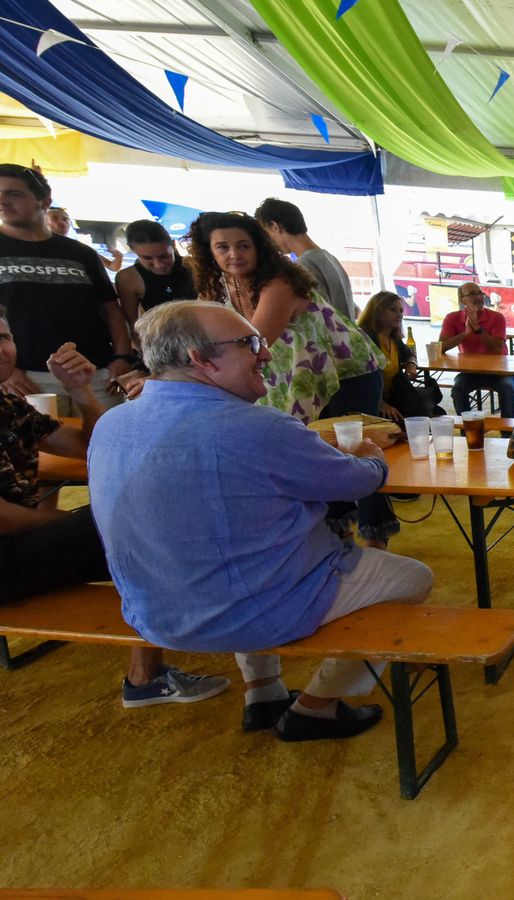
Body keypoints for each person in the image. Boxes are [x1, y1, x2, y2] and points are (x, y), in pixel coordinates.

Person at [91, 301, 433, 740]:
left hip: (153, 614)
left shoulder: (111, 424)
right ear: (200, 359)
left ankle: (264, 691)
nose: (266, 353)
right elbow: (354, 483)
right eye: (249, 344)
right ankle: (317, 706)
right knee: (412, 578)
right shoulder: (260, 427)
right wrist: (372, 457)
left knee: (245, 548)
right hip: (247, 613)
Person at [0, 311, 228, 706]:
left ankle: (154, 663)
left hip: (18, 553)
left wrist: (81, 391)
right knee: (149, 523)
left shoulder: (8, 404)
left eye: (4, 336)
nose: (1, 348)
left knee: (149, 522)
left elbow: (93, 446)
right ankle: (147, 675)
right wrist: (91, 523)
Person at [188, 212, 398, 549]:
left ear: (259, 246)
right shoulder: (220, 287)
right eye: (223, 247)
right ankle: (337, 537)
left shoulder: (280, 282)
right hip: (296, 375)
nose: (234, 254)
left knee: (353, 451)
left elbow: (256, 343)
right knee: (313, 455)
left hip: (347, 374)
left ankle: (377, 539)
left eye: (243, 245)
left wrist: (192, 374)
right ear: (208, 252)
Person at [0, 165, 138, 413]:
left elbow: (110, 309)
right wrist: (5, 372)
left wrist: (122, 358)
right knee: (43, 451)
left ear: (44, 201)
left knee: (105, 445)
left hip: (96, 372)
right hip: (27, 378)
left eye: (14, 194)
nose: (3, 201)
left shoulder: (80, 252)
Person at [254, 198, 356, 321]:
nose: (268, 242)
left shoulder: (304, 264)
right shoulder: (329, 257)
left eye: (266, 233)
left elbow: (318, 316)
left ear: (275, 227)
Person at [438, 282, 514, 415]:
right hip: (470, 371)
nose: (479, 297)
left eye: (480, 293)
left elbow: (498, 347)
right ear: (462, 299)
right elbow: (441, 347)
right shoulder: (452, 318)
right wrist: (466, 333)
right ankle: (468, 430)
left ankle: (507, 432)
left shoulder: (497, 317)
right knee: (458, 389)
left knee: (508, 389)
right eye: (472, 294)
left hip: (499, 371)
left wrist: (478, 329)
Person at [357, 291, 436, 421]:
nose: (399, 314)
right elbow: (360, 381)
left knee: (421, 417)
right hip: (371, 400)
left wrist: (411, 364)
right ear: (378, 313)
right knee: (403, 423)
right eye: (393, 310)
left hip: (393, 395)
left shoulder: (394, 338)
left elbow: (410, 354)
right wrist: (381, 404)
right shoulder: (365, 339)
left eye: (400, 310)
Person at [114, 219, 196, 337]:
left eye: (164, 256)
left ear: (173, 245)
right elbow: (132, 326)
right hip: (161, 340)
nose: (159, 265)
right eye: (147, 258)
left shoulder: (194, 265)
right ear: (133, 251)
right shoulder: (128, 278)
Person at [46, 205, 122, 272]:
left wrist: (119, 257)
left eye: (65, 219)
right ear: (44, 222)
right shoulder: (38, 246)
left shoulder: (80, 248)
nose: (62, 222)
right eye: (55, 218)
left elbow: (112, 267)